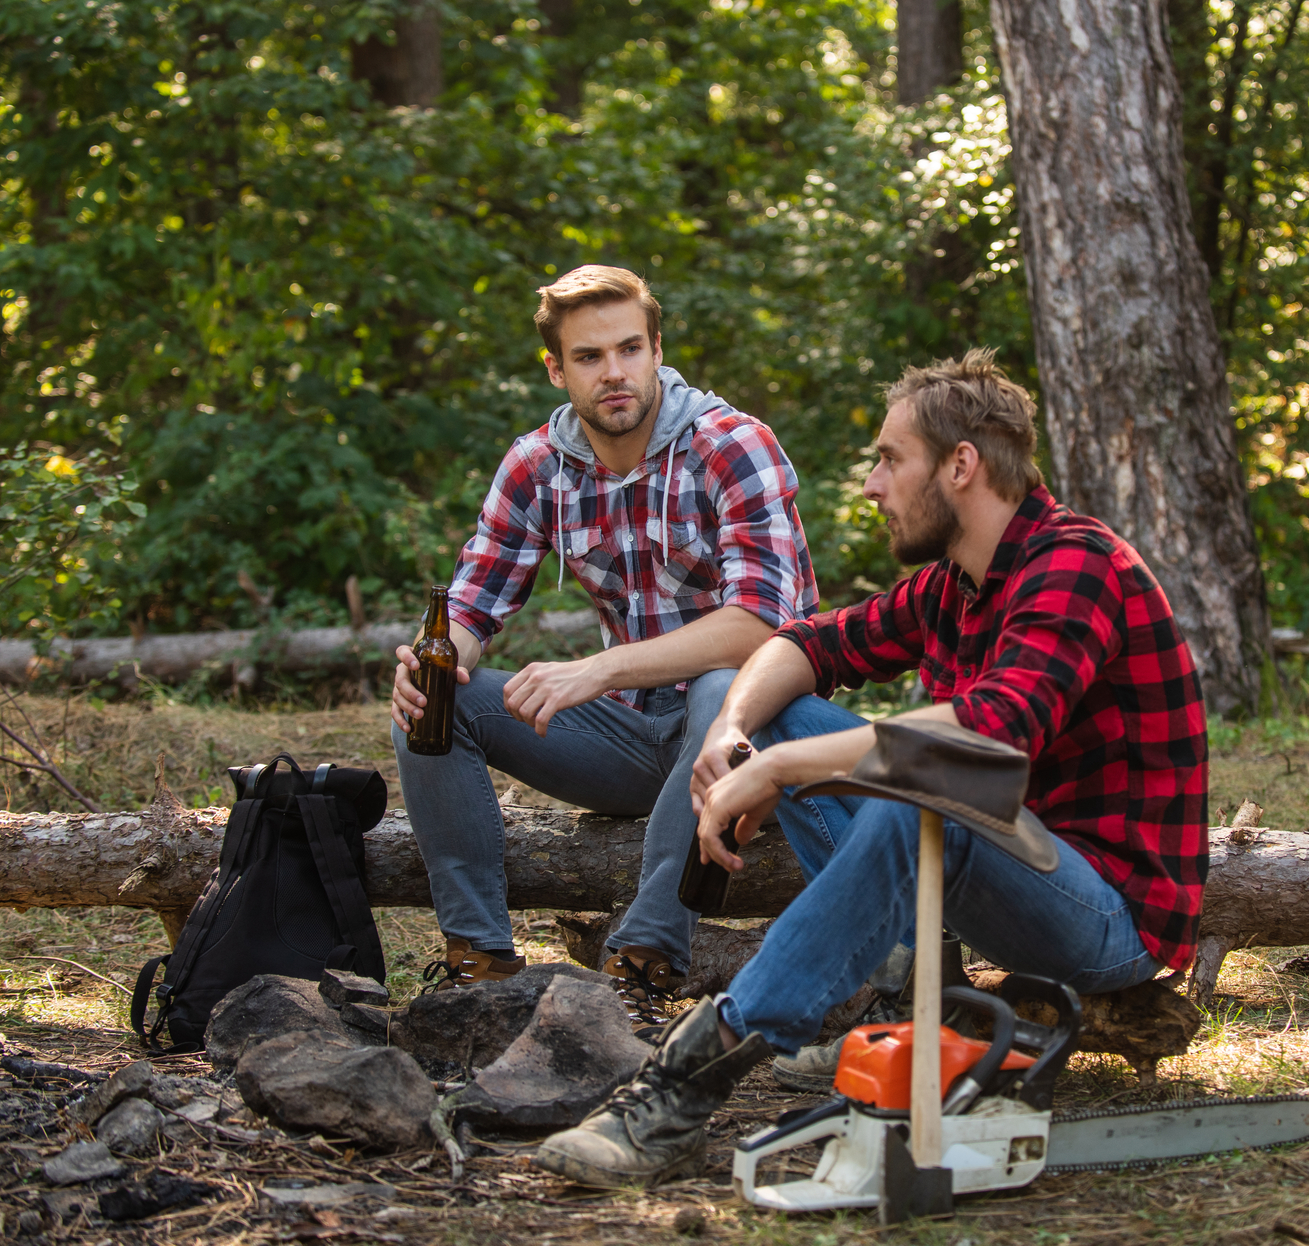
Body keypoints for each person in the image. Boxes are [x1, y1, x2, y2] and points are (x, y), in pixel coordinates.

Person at [533, 349, 1210, 1187]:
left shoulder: (1075, 565)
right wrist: (735, 732)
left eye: (891, 459)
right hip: (1008, 865)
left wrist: (781, 769)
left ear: (961, 465)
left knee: (922, 795)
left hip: (1105, 917)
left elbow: (988, 737)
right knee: (796, 711)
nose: (871, 484)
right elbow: (805, 642)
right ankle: (908, 1002)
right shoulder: (952, 586)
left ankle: (684, 1085)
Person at [390, 265, 818, 1022]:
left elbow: (762, 623)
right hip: (628, 739)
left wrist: (599, 666)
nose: (613, 372)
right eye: (589, 357)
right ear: (556, 368)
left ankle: (644, 968)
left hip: (751, 744)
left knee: (724, 687)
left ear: (657, 349)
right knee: (435, 699)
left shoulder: (731, 445)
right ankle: (479, 965)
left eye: (629, 349)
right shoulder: (537, 466)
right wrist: (441, 656)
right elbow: (473, 603)